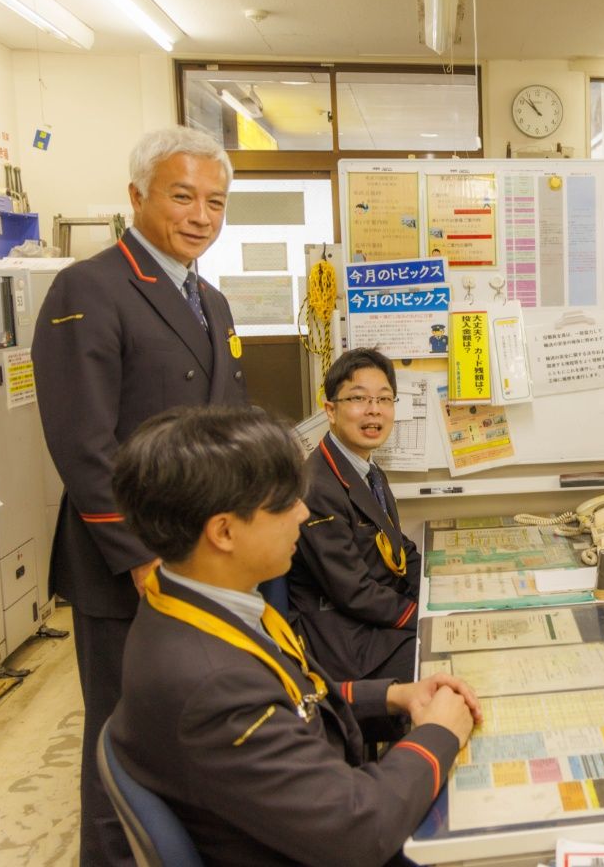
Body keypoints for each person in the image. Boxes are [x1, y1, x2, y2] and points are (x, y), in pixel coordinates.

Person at [106, 405, 478, 866]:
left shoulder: (189, 600)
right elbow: (359, 831)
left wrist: (393, 696)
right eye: (284, 502)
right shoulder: (212, 686)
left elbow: (294, 695)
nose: (303, 512)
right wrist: (438, 734)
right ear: (223, 531)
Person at [33, 126, 245, 866]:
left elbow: (226, 428)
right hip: (129, 565)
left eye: (215, 202)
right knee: (120, 741)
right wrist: (138, 557)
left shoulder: (210, 302)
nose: (200, 215)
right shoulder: (88, 288)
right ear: (136, 197)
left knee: (184, 731)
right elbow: (82, 444)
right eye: (182, 196)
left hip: (200, 560)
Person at [288, 347, 421, 684]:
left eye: (385, 399)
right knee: (443, 656)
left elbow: (397, 547)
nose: (374, 411)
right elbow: (354, 592)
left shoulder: (366, 469)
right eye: (359, 399)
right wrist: (422, 615)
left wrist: (439, 588)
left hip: (371, 621)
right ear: (330, 410)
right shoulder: (317, 485)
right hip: (346, 641)